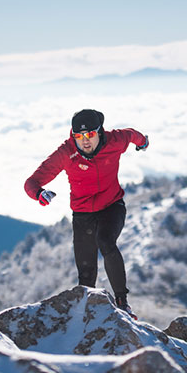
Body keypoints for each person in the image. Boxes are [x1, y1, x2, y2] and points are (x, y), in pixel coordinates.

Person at [24, 109, 148, 318]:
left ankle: (122, 302)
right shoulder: (66, 153)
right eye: (79, 136)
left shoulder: (115, 140)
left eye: (90, 134)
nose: (85, 141)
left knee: (106, 242)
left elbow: (132, 134)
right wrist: (39, 194)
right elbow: (31, 182)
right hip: (83, 215)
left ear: (100, 132)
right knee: (86, 273)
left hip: (112, 206)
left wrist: (142, 142)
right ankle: (85, 315)